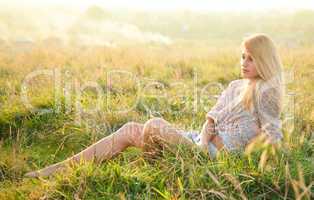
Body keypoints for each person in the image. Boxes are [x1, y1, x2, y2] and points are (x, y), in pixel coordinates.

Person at [25, 33, 285, 178]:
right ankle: (54, 170)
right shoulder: (234, 86)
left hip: (215, 159)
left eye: (251, 58)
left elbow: (274, 138)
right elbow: (210, 121)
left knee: (154, 125)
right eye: (243, 56)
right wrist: (201, 142)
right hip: (197, 145)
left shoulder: (266, 92)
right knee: (130, 128)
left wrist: (256, 163)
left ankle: (155, 168)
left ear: (263, 60)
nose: (244, 62)